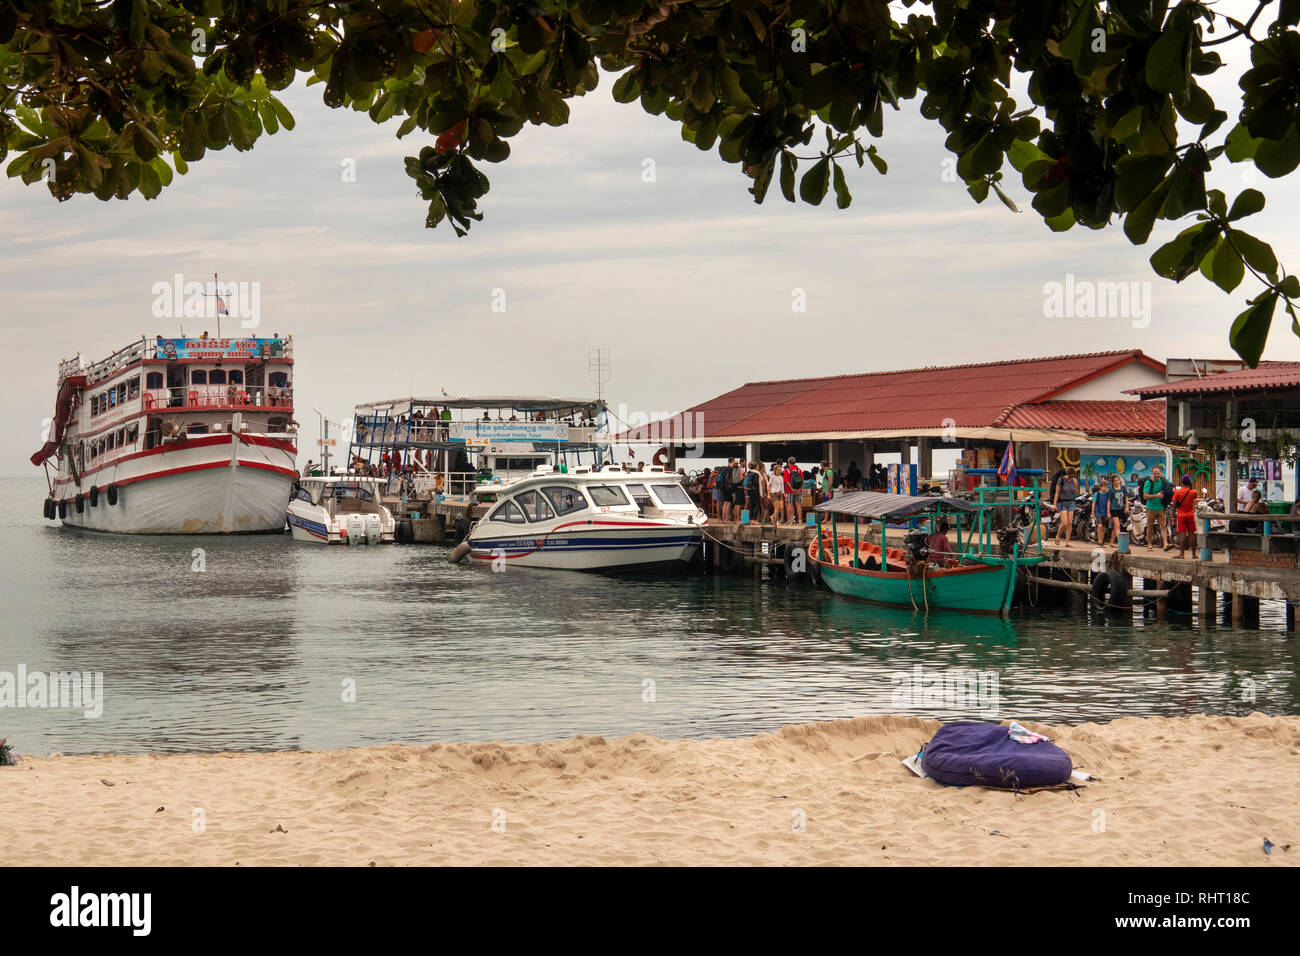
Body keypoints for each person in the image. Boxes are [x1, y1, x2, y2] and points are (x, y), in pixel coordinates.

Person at [1142, 466, 1169, 550]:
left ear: (1160, 473)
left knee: (1163, 526)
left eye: (1158, 473)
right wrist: (1156, 496)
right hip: (1151, 508)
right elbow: (1145, 496)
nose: (1157, 475)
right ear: (1152, 474)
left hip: (1161, 507)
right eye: (1155, 474)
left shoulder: (1164, 481)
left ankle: (1165, 544)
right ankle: (1149, 543)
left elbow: (1170, 488)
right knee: (1150, 526)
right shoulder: (1148, 483)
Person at [1171, 475, 1198, 559]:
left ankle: (1182, 554)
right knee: (1192, 534)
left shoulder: (1178, 492)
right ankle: (1194, 554)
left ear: (1182, 482)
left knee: (1182, 534)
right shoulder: (1193, 492)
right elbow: (1194, 499)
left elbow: (1174, 504)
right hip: (1190, 515)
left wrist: (1173, 515)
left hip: (1181, 515)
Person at [1052, 468, 1078, 545]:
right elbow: (1057, 492)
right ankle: (1058, 536)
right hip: (1062, 502)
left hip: (1071, 502)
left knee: (1070, 522)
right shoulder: (1061, 479)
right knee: (1065, 522)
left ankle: (1067, 541)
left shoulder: (1074, 481)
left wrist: (1075, 484)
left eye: (1073, 476)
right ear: (1067, 474)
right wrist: (1054, 504)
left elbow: (1076, 492)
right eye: (1070, 476)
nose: (1071, 477)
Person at [1109, 475, 1128, 544]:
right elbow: (1109, 501)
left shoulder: (1122, 488)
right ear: (1113, 482)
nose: (1117, 482)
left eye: (1118, 480)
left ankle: (1111, 542)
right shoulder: (1111, 490)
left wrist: (1126, 507)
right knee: (1117, 526)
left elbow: (1126, 497)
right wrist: (1108, 512)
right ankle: (1120, 543)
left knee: (1115, 527)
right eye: (1115, 481)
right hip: (1114, 509)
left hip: (1121, 508)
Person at [784, 457, 803, 524]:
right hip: (798, 490)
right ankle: (800, 520)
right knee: (798, 504)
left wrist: (792, 489)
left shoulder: (787, 470)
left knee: (789, 504)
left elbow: (786, 481)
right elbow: (802, 481)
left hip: (789, 490)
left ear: (788, 462)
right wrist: (799, 489)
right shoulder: (799, 470)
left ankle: (790, 520)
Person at [1093, 478, 1112, 546]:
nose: (1104, 488)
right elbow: (1093, 503)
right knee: (1100, 526)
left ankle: (1102, 541)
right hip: (1098, 511)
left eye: (1106, 486)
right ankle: (1099, 541)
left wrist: (1108, 512)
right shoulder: (1097, 494)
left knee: (1104, 527)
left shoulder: (1107, 494)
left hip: (1105, 512)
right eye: (1103, 486)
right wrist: (1092, 513)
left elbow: (1108, 503)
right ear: (1100, 487)